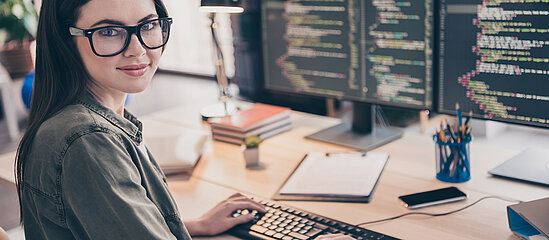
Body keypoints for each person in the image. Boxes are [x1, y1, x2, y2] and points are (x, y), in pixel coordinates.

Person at [15, 0, 354, 239]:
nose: (138, 49)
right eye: (109, 32)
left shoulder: (82, 121)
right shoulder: (86, 141)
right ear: (65, 40)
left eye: (148, 26)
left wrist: (190, 225)